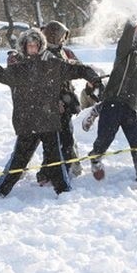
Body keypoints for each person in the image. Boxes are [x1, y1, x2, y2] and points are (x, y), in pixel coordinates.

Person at [0, 28, 100, 197]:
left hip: (49, 122)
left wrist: (93, 77)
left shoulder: (52, 65)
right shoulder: (17, 70)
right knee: (19, 161)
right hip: (27, 123)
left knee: (56, 160)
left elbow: (78, 69)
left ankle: (63, 191)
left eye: (35, 45)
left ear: (41, 46)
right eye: (29, 45)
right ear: (23, 47)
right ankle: (0, 192)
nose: (32, 48)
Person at [87, 18, 137, 190]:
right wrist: (132, 20)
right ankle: (95, 158)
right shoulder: (127, 52)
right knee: (105, 138)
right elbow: (126, 37)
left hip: (130, 108)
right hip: (112, 103)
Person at [36, 20, 86, 182]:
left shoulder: (65, 51)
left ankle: (67, 168)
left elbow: (78, 66)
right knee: (55, 143)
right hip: (52, 106)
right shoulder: (43, 54)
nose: (63, 39)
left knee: (67, 140)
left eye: (65, 36)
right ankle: (51, 173)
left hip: (66, 103)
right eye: (61, 36)